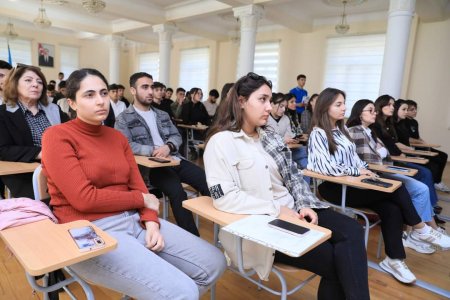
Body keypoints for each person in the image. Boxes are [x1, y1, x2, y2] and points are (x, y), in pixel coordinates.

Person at [41, 68, 226, 299]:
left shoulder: (117, 138)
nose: (100, 101)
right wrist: (141, 200)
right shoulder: (56, 136)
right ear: (72, 103)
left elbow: (137, 184)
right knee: (183, 291)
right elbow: (83, 198)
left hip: (134, 219)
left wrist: (150, 222)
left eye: (103, 93)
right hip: (89, 229)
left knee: (215, 263)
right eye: (89, 95)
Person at [204, 72, 370, 300]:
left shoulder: (269, 136)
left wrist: (303, 204)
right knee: (337, 261)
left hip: (294, 209)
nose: (269, 107)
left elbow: (293, 176)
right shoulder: (221, 142)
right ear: (241, 102)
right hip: (263, 223)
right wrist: (277, 210)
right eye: (262, 100)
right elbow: (224, 198)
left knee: (353, 230)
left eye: (269, 100)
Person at [307, 88, 450, 284]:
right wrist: (358, 172)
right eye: (338, 104)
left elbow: (355, 159)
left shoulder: (343, 130)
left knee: (391, 208)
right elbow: (323, 167)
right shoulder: (318, 134)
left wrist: (366, 170)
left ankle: (394, 259)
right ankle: (420, 229)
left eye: (344, 104)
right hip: (334, 188)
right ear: (325, 107)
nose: (344, 108)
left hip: (353, 184)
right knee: (397, 187)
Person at [115, 72, 211, 236]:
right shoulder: (124, 118)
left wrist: (168, 146)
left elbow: (176, 136)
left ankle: (227, 226)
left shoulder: (162, 114)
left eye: (151, 87)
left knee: (206, 181)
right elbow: (126, 145)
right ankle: (195, 238)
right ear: (133, 90)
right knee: (177, 192)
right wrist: (152, 150)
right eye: (144, 87)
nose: (150, 91)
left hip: (174, 159)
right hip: (152, 167)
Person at [347, 99, 446, 254]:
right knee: (419, 189)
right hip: (375, 173)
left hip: (384, 169)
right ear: (360, 114)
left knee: (422, 188)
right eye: (371, 110)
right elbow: (368, 160)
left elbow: (385, 155)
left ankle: (417, 232)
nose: (375, 113)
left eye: (375, 110)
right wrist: (387, 163)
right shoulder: (355, 131)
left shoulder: (370, 131)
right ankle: (418, 232)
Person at [373, 96, 443, 225]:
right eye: (389, 105)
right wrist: (405, 155)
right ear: (380, 106)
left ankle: (429, 214)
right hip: (388, 163)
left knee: (427, 170)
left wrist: (407, 154)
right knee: (424, 173)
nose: (392, 108)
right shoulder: (375, 126)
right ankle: (429, 214)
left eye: (393, 105)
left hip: (394, 159)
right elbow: (385, 151)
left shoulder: (388, 125)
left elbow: (393, 146)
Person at [0, 65, 68, 198]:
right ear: (15, 84)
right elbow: (3, 150)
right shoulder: (3, 113)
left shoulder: (54, 110)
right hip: (26, 174)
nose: (35, 84)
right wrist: (39, 153)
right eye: (28, 80)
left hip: (62, 167)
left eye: (39, 82)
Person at [405, 99, 449, 192]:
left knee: (443, 155)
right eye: (412, 109)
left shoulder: (414, 122)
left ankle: (437, 181)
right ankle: (434, 183)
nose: (415, 111)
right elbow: (407, 139)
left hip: (419, 146)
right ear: (406, 110)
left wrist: (424, 143)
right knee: (434, 163)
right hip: (412, 148)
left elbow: (417, 137)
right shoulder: (403, 122)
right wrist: (420, 143)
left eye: (416, 109)